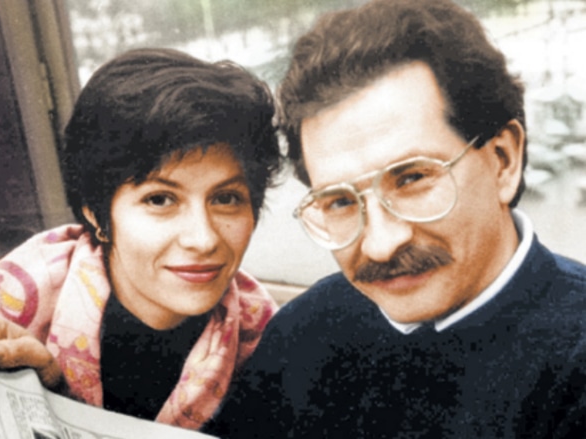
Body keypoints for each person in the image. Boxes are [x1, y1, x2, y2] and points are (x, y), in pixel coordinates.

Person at [206, 0, 586, 437]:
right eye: (340, 201)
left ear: (503, 161)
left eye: (412, 179)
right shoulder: (301, 332)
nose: (381, 244)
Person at [0, 47, 281, 430]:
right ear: (94, 211)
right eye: (160, 199)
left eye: (226, 199)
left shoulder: (271, 339)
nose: (203, 239)